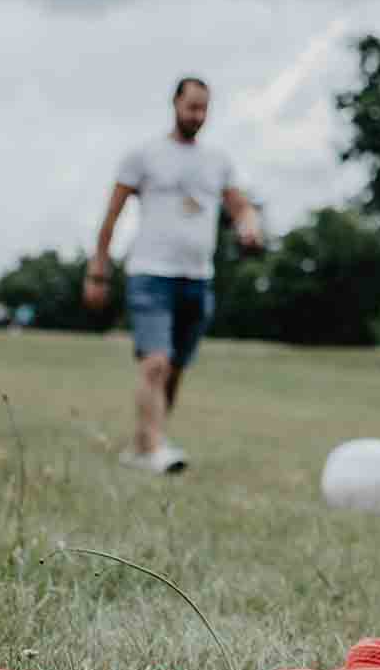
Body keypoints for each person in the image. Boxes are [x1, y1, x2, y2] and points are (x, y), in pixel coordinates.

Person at [83, 77, 261, 475]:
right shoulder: (143, 156)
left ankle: (144, 444)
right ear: (175, 104)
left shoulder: (218, 161)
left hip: (197, 278)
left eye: (204, 109)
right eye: (191, 107)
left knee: (175, 369)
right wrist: (98, 269)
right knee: (156, 364)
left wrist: (251, 226)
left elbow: (241, 207)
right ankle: (154, 450)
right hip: (151, 273)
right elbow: (111, 215)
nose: (197, 116)